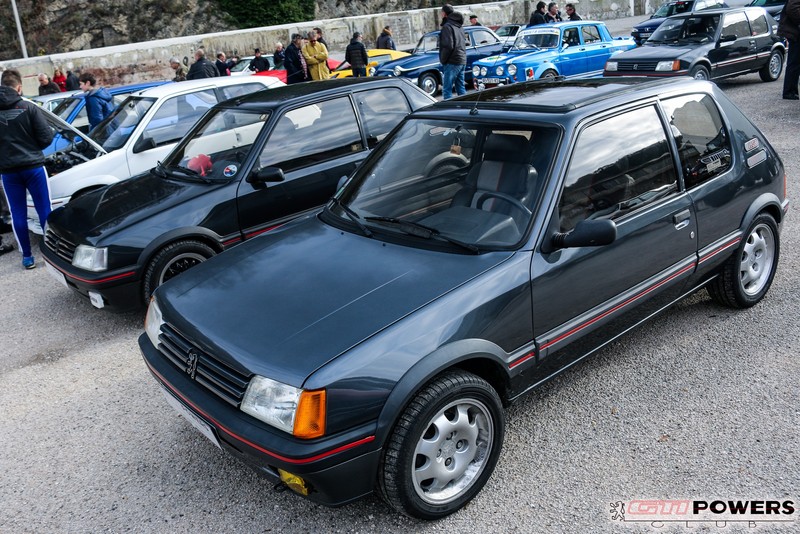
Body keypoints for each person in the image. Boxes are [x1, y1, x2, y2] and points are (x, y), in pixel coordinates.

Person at [0, 69, 55, 269]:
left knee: (18, 214)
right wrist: (31, 148)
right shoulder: (28, 107)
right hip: (33, 168)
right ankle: (51, 253)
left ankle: (27, 257)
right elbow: (47, 137)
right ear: (19, 87)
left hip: (8, 172)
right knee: (44, 210)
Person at [439, 4, 467, 100]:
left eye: (441, 12)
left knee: (447, 90)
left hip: (452, 61)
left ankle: (448, 111)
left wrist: (443, 60)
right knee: (461, 87)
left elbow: (448, 46)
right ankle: (466, 107)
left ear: (445, 14)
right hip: (461, 60)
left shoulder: (447, 26)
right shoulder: (459, 26)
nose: (441, 14)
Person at [778, 0, 800, 100]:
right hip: (795, 33)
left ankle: (791, 91)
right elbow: (792, 8)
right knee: (794, 63)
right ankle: (789, 92)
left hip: (795, 31)